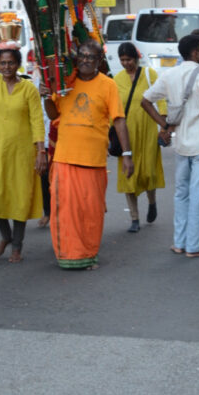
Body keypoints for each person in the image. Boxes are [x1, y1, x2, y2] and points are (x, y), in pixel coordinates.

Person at [43, 40, 133, 269]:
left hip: (93, 160)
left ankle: (87, 254)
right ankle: (68, 256)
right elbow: (54, 113)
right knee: (64, 212)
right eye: (81, 56)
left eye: (91, 57)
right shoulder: (66, 82)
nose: (85, 60)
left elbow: (119, 120)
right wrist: (46, 96)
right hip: (65, 158)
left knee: (91, 213)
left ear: (99, 61)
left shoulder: (108, 85)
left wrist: (127, 154)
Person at [141, 33, 199, 257]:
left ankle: (179, 242)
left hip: (180, 143)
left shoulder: (170, 74)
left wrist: (165, 124)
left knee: (181, 194)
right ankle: (194, 247)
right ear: (194, 52)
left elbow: (145, 101)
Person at [0, 19, 47, 263]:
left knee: (19, 198)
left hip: (22, 153)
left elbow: (37, 121)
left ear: (17, 64)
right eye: (2, 63)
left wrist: (40, 152)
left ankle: (17, 246)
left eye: (10, 63)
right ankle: (5, 235)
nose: (5, 67)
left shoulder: (28, 89)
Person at [114, 42, 165, 232]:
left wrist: (163, 125)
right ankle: (134, 218)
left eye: (128, 59)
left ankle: (152, 201)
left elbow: (161, 99)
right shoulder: (116, 80)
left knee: (148, 172)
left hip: (149, 130)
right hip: (126, 133)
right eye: (122, 60)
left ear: (136, 58)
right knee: (129, 176)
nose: (126, 63)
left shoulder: (150, 75)